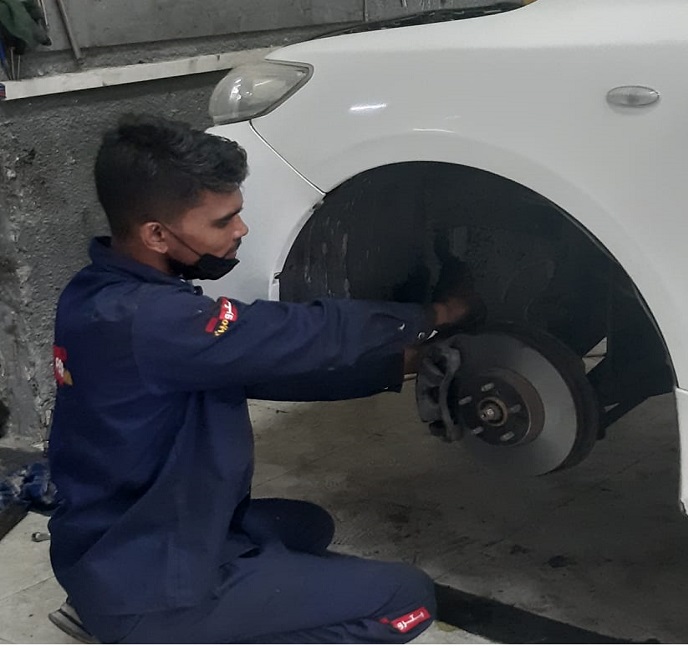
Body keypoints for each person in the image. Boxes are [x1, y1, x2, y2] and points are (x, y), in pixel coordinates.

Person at [46, 114, 471, 643]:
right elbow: (304, 332)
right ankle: (155, 633)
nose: (240, 230)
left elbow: (255, 367)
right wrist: (432, 315)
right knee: (406, 599)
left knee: (307, 525)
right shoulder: (151, 321)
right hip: (154, 588)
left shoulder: (95, 292)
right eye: (223, 221)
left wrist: (397, 364)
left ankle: (113, 608)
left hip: (115, 543)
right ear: (156, 234)